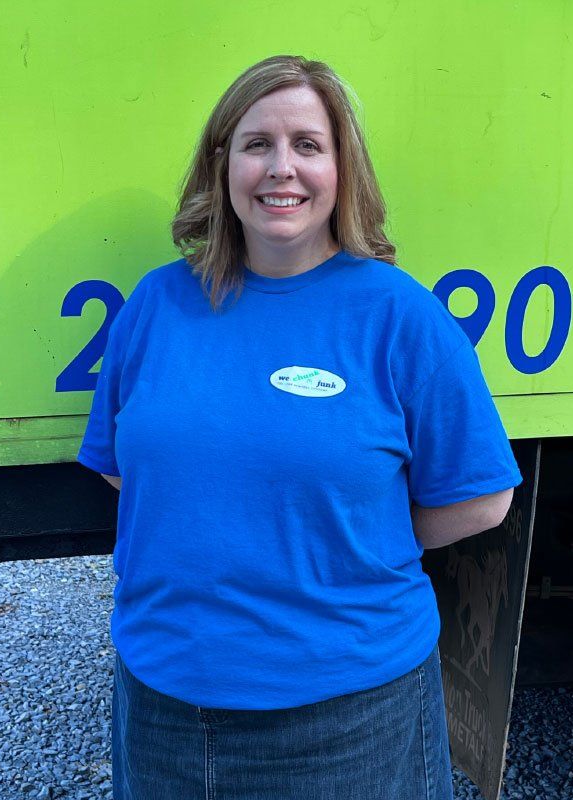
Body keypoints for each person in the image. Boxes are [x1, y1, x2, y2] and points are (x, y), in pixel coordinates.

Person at [77, 54, 523, 800]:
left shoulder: (399, 317)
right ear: (222, 164)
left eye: (308, 146)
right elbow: (121, 466)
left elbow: (480, 498)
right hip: (163, 708)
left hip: (350, 717)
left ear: (343, 169)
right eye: (257, 145)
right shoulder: (155, 306)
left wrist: (356, 536)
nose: (281, 168)